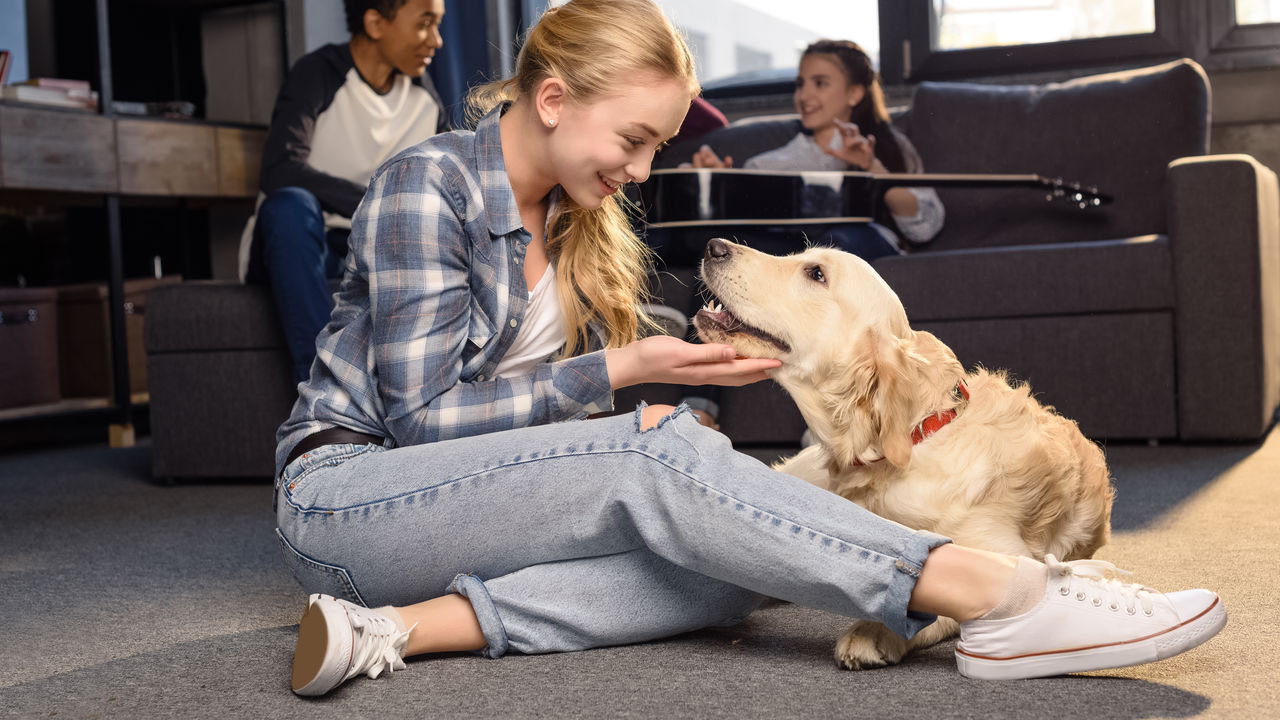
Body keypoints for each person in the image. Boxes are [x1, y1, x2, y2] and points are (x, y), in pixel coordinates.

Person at [274, 0, 1225, 697]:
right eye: (636, 140)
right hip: (351, 500)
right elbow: (420, 424)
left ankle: (392, 630)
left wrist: (672, 381)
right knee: (663, 460)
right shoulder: (425, 187)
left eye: (658, 148)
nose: (643, 173)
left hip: (441, 537)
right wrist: (625, 376)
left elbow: (533, 437)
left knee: (739, 563)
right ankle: (1000, 594)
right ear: (554, 98)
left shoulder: (576, 221)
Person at [663, 40, 946, 430]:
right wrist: (719, 179)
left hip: (860, 247)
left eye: (820, 83)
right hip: (790, 253)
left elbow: (927, 223)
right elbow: (752, 238)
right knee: (726, 264)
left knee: (834, 242)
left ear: (854, 93)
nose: (805, 95)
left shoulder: (890, 147)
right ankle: (700, 406)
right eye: (800, 84)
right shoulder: (774, 160)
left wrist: (871, 167)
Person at [240, 0, 451, 383]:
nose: (435, 40)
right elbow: (278, 170)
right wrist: (375, 201)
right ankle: (322, 389)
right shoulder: (318, 73)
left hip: (358, 253)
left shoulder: (425, 100)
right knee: (290, 204)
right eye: (424, 24)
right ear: (375, 23)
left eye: (438, 26)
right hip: (294, 246)